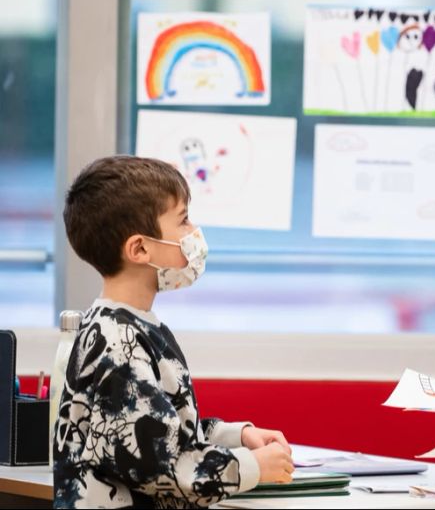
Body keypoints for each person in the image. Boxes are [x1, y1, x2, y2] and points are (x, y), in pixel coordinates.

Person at [54, 155, 295, 508]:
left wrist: (237, 437)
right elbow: (163, 470)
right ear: (139, 249)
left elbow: (166, 430)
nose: (193, 232)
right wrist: (252, 466)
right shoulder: (118, 344)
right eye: (182, 220)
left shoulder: (134, 326)